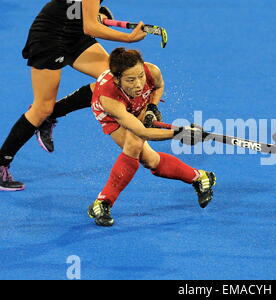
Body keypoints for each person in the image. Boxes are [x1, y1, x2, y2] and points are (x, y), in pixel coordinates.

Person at [0, 0, 148, 191]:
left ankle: (50, 117)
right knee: (42, 108)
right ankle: (2, 161)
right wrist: (128, 39)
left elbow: (78, 8)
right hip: (49, 37)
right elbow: (91, 27)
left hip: (74, 33)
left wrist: (95, 14)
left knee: (111, 80)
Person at [88, 48, 216, 226]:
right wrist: (181, 133)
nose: (139, 84)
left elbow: (158, 86)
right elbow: (142, 132)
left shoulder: (152, 71)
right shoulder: (109, 100)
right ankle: (200, 177)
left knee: (143, 154)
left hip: (137, 105)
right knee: (144, 154)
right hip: (113, 114)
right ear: (117, 79)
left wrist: (152, 108)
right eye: (131, 80)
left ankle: (102, 203)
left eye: (140, 76)